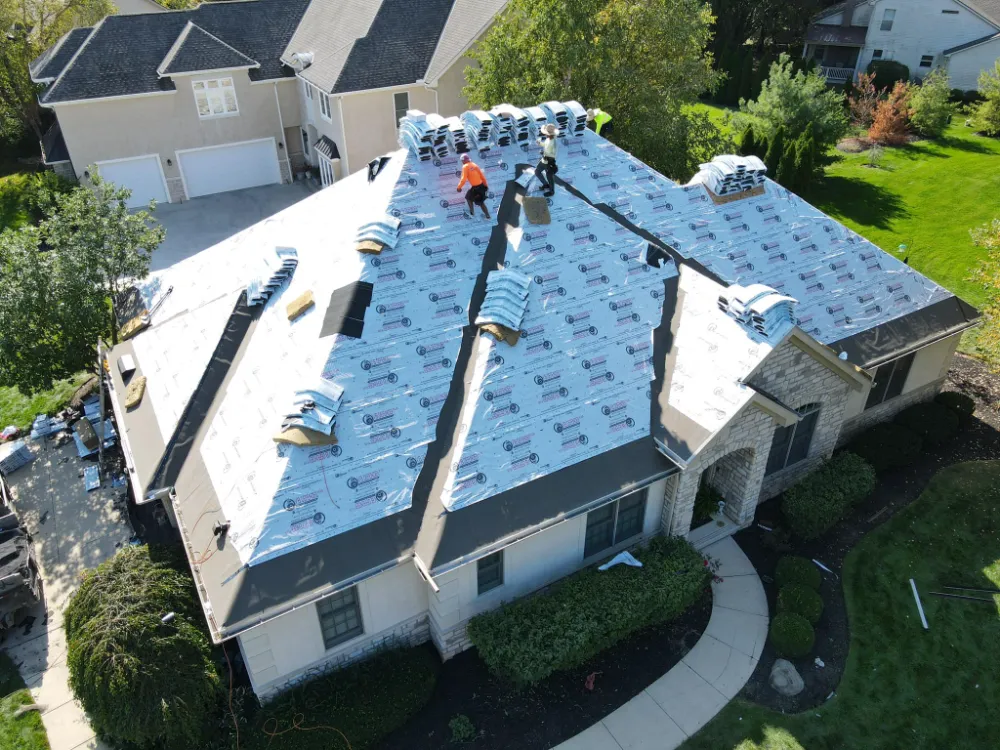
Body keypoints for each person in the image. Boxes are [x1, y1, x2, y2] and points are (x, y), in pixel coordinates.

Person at [456, 153, 490, 219]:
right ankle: (487, 215)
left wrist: (459, 187)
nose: (462, 162)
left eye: (462, 161)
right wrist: (486, 186)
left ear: (464, 160)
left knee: (469, 198)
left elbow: (463, 179)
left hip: (475, 188)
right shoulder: (474, 165)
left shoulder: (465, 166)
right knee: (480, 202)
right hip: (481, 186)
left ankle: (472, 212)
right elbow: (482, 176)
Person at [534, 123, 558, 197]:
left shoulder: (554, 142)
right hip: (544, 160)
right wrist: (540, 143)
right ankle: (545, 184)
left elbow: (553, 154)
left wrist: (543, 152)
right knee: (537, 171)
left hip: (549, 162)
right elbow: (545, 145)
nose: (545, 135)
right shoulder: (548, 139)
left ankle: (552, 191)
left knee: (549, 177)